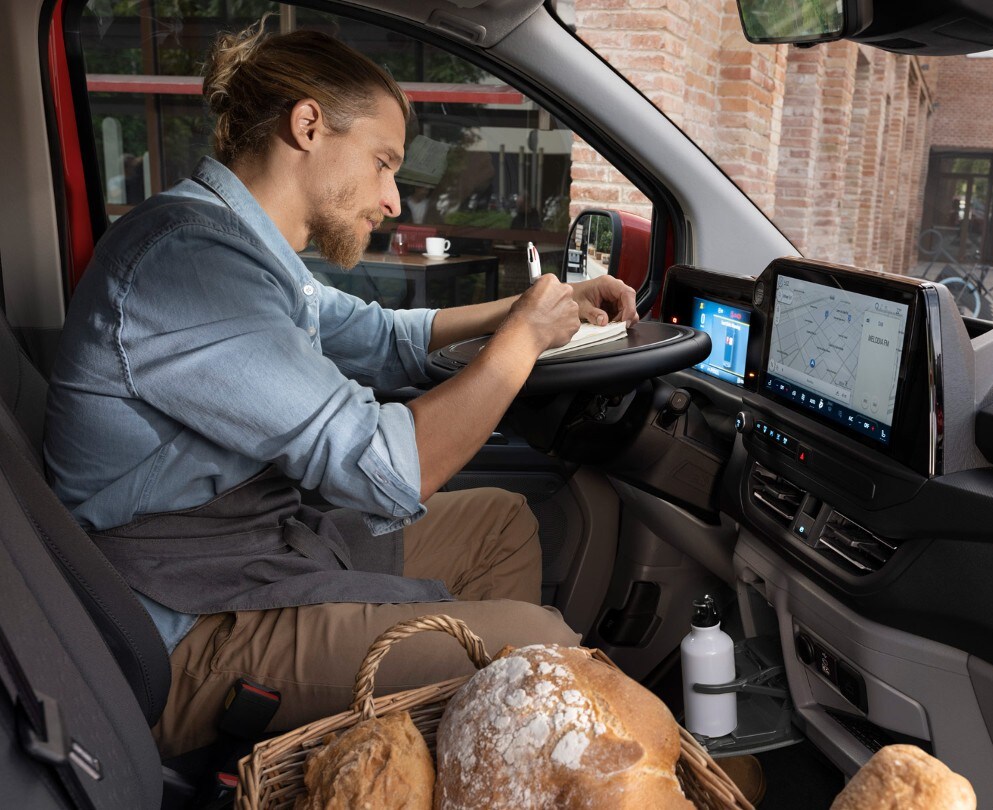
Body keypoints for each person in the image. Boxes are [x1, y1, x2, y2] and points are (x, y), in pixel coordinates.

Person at [42, 21, 637, 758]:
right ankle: (466, 722)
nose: (393, 200)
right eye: (384, 163)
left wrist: (529, 310)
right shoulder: (189, 269)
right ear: (308, 125)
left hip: (245, 558)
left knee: (502, 523)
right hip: (182, 630)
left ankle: (457, 757)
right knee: (543, 651)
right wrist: (520, 346)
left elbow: (383, 336)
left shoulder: (236, 249)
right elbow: (394, 470)